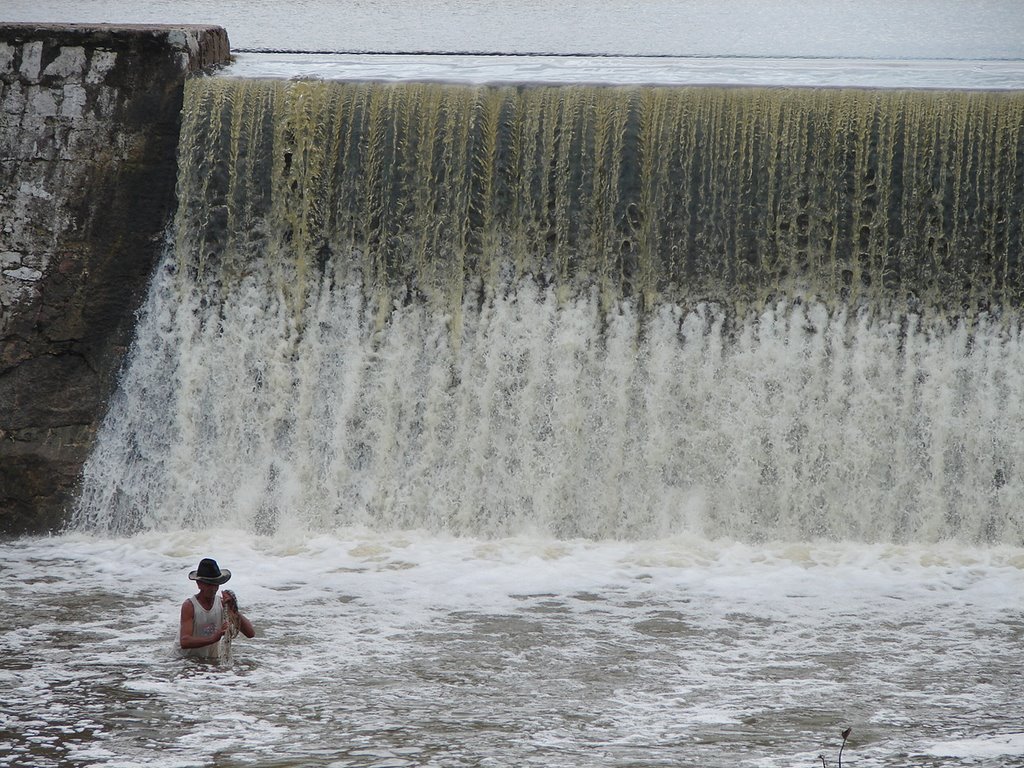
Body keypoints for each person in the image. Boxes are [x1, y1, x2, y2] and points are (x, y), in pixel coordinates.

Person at [179, 557, 255, 659]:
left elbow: (250, 633)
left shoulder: (222, 604)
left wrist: (233, 610)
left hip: (208, 660)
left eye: (216, 584)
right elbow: (184, 641)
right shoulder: (190, 605)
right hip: (184, 660)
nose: (214, 588)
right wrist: (213, 638)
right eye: (209, 584)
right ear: (199, 584)